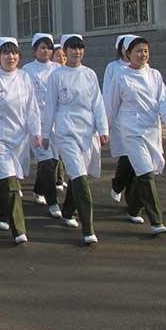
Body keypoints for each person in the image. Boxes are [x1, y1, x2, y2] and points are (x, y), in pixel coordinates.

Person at [105, 35, 166, 235]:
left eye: (145, 50)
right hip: (130, 130)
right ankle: (156, 221)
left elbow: (164, 100)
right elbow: (110, 105)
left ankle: (133, 208)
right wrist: (104, 129)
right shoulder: (121, 76)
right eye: (138, 51)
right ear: (128, 54)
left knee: (145, 171)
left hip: (151, 129)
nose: (142, 54)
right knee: (145, 172)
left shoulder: (154, 75)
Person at [42, 34, 109, 245]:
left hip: (87, 131)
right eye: (72, 48)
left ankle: (68, 211)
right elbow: (50, 106)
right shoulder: (57, 76)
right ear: (64, 52)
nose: (76, 52)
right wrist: (45, 134)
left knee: (80, 174)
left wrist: (103, 128)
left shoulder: (89, 74)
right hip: (66, 130)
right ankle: (88, 229)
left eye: (80, 48)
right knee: (79, 176)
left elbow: (98, 103)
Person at [0, 37, 41, 244]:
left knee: (9, 183)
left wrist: (36, 132)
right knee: (10, 182)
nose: (10, 57)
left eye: (14, 53)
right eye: (6, 53)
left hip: (19, 139)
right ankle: (19, 230)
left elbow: (32, 108)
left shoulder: (24, 77)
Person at [22, 33, 62, 219]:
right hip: (35, 121)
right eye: (42, 48)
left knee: (52, 162)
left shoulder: (58, 69)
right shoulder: (27, 70)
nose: (46, 51)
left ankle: (39, 189)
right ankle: (53, 202)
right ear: (34, 50)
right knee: (45, 162)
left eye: (49, 48)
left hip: (55, 122)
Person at [104, 35, 135, 203]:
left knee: (139, 163)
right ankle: (117, 184)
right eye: (126, 47)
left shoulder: (144, 69)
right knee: (127, 157)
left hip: (140, 122)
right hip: (119, 119)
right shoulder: (113, 68)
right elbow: (108, 94)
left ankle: (133, 203)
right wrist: (106, 122)